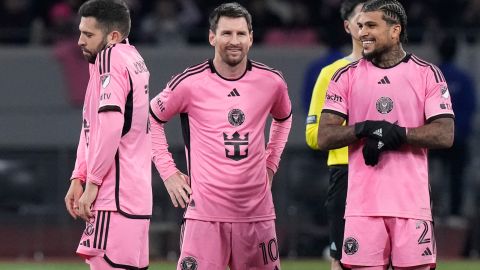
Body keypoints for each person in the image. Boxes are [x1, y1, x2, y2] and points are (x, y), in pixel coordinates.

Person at [149, 2, 292, 270]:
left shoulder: (272, 82)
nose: (234, 41)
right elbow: (153, 119)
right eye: (226, 33)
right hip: (205, 215)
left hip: (256, 214)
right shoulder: (189, 83)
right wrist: (168, 172)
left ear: (251, 37)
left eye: (240, 34)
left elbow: (284, 119)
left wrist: (270, 164)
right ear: (212, 37)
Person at [317, 0, 454, 269]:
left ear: (395, 31)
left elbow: (444, 134)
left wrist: (398, 133)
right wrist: (364, 128)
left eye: (371, 25)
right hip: (362, 209)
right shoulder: (344, 76)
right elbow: (325, 136)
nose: (362, 32)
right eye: (360, 26)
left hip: (411, 207)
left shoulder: (426, 74)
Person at [64, 0, 152, 269]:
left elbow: (111, 126)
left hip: (112, 198)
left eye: (88, 35)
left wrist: (91, 184)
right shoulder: (133, 57)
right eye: (80, 32)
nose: (80, 41)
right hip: (133, 197)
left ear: (112, 37)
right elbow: (91, 126)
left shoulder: (109, 58)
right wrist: (78, 176)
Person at [305, 1, 367, 269]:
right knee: (342, 260)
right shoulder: (330, 74)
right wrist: (360, 132)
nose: (367, 26)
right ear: (347, 26)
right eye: (361, 19)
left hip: (391, 173)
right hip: (345, 170)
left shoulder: (400, 72)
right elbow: (312, 134)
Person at [430, 35, 476, 218]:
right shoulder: (464, 79)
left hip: (435, 138)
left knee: (433, 177)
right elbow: (470, 108)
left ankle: (431, 212)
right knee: (456, 178)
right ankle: (454, 215)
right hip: (456, 138)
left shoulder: (431, 78)